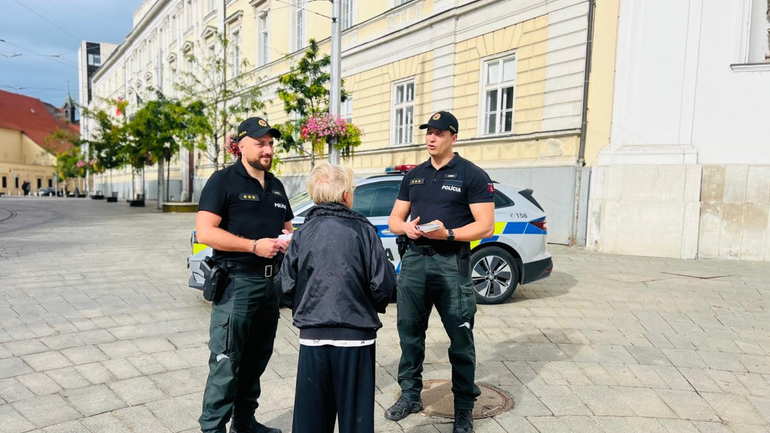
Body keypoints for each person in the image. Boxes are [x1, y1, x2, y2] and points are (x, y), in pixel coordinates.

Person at [385, 111, 495, 433]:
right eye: (429, 132)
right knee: (410, 334)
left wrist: (447, 234)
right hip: (415, 261)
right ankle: (410, 395)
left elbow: (485, 226)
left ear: (453, 137)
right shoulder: (414, 175)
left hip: (451, 264)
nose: (431, 138)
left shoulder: (471, 175)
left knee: (460, 338)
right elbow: (394, 219)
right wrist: (406, 228)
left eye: (439, 133)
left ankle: (463, 408)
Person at [277, 162, 396, 433]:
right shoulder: (364, 231)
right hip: (356, 335)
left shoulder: (301, 234)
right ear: (345, 196)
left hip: (313, 334)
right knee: (356, 419)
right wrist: (370, 305)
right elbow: (383, 284)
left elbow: (284, 287)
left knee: (310, 420)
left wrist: (306, 304)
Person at [196, 117, 293, 433]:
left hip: (269, 287)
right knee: (227, 362)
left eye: (270, 143)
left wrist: (289, 240)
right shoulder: (223, 181)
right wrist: (253, 246)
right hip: (237, 285)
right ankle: (213, 429)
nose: (268, 149)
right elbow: (205, 232)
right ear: (240, 146)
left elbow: (288, 229)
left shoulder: (276, 185)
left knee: (256, 361)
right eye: (260, 143)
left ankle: (245, 422)